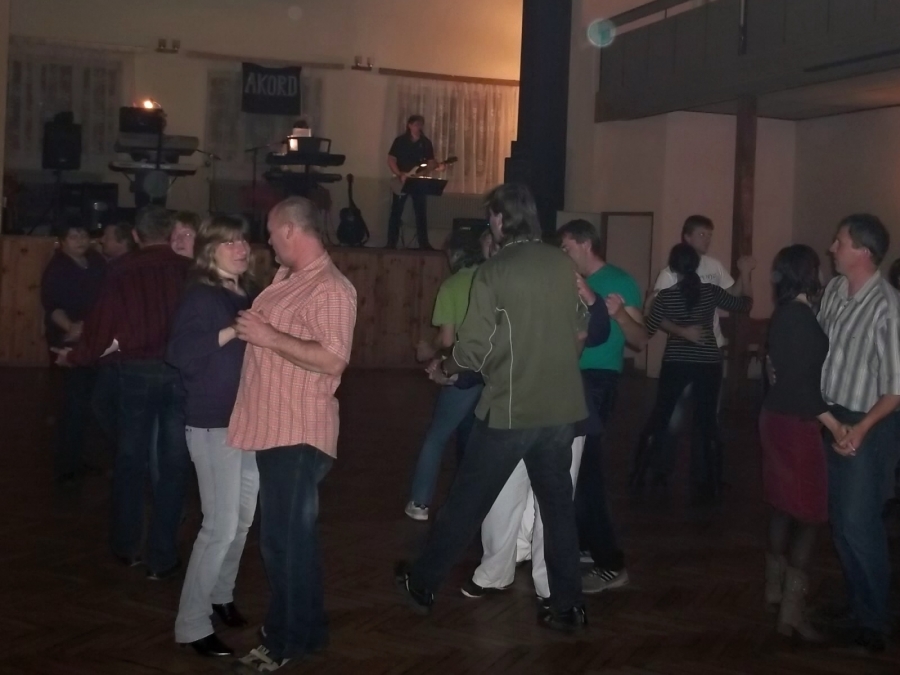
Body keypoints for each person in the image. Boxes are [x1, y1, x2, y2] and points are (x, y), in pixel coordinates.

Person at [395, 183, 591, 633]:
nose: (491, 224)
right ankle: (568, 607)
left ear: (501, 219)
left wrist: (445, 367)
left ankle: (421, 585)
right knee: (558, 511)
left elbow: (473, 351)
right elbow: (581, 325)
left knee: (465, 502)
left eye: (491, 217)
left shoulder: (494, 270)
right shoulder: (562, 263)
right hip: (562, 410)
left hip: (511, 410)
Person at [228, 197, 357, 674]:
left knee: (282, 544)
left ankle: (283, 641)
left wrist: (269, 337)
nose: (266, 239)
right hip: (276, 428)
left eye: (270, 231)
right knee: (291, 541)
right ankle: (308, 629)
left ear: (289, 230)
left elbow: (333, 359)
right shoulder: (289, 277)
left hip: (298, 433)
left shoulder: (331, 288)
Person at [58, 206, 192, 580]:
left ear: (135, 235)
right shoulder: (189, 271)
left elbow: (101, 328)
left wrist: (77, 357)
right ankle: (163, 555)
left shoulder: (121, 271)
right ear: (171, 233)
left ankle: (127, 546)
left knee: (131, 459)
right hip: (180, 374)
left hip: (134, 372)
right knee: (173, 464)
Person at [167, 216, 259, 658]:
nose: (240, 248)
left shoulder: (247, 293)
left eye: (242, 240)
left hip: (249, 421)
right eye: (229, 242)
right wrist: (233, 330)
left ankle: (221, 594)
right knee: (218, 527)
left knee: (240, 520)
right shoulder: (202, 296)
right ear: (209, 251)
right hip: (212, 422)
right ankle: (191, 624)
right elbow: (180, 354)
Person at [815, 214, 900, 655]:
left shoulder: (888, 306)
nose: (832, 247)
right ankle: (857, 606)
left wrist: (862, 429)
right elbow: (819, 349)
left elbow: (896, 388)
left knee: (858, 522)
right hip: (833, 417)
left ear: (863, 252)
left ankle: (874, 621)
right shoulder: (834, 290)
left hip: (871, 421)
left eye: (840, 241)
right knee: (841, 521)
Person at [760, 245, 846, 642]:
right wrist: (835, 425)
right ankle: (792, 615)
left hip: (777, 417)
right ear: (807, 272)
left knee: (782, 507)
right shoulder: (798, 317)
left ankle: (774, 592)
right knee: (810, 517)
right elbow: (799, 385)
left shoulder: (786, 313)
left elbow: (780, 371)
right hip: (796, 424)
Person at [557, 219, 648, 594]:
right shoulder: (570, 281)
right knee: (574, 469)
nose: (563, 254)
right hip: (571, 380)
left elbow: (640, 340)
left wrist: (619, 315)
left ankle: (611, 563)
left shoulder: (619, 281)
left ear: (584, 243)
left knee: (587, 472)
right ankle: (585, 545)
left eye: (566, 247)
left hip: (597, 382)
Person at [639, 215, 754, 488]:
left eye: (709, 234)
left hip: (691, 357)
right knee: (684, 419)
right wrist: (683, 331)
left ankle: (686, 474)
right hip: (702, 358)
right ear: (687, 238)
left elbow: (649, 327)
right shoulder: (686, 282)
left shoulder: (706, 273)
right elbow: (743, 304)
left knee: (690, 417)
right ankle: (684, 474)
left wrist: (744, 272)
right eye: (702, 234)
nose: (707, 239)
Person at [405, 229, 488, 521]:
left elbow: (448, 340)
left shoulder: (452, 286)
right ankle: (474, 503)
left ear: (454, 255)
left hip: (462, 371)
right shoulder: (491, 280)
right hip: (495, 369)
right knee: (476, 437)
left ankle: (420, 502)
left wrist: (428, 349)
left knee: (437, 436)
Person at [40, 222, 107, 482]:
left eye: (83, 235)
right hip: (68, 340)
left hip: (95, 338)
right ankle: (67, 464)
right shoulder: (57, 268)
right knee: (73, 402)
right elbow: (52, 306)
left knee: (90, 402)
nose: (80, 240)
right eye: (73, 236)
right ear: (62, 241)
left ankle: (82, 457)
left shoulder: (96, 261)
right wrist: (71, 327)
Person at [386, 115, 442, 249]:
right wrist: (399, 174)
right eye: (416, 124)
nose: (419, 127)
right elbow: (391, 159)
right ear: (409, 125)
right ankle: (391, 243)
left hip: (418, 181)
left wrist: (435, 166)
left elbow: (430, 162)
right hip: (402, 179)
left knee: (421, 212)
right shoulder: (400, 141)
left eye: (420, 125)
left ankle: (424, 243)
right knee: (396, 212)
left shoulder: (426, 142)